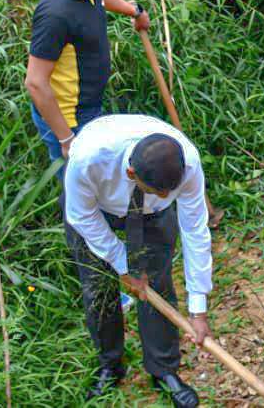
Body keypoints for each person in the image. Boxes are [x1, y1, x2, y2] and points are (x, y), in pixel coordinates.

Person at [64, 114, 212, 406]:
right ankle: (110, 365)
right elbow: (81, 215)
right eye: (159, 191)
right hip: (94, 214)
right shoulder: (88, 159)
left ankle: (164, 370)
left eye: (171, 191)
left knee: (157, 284)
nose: (167, 196)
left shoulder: (188, 162)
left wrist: (198, 309)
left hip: (152, 218)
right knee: (98, 289)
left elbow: (195, 230)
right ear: (131, 173)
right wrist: (123, 266)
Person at [25, 0, 150, 166]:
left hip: (89, 106)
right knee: (78, 182)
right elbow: (35, 83)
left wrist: (133, 11)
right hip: (69, 119)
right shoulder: (55, 14)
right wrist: (66, 139)